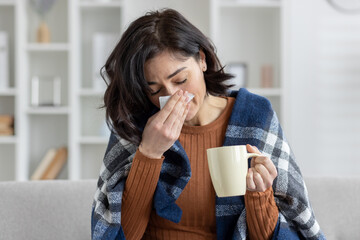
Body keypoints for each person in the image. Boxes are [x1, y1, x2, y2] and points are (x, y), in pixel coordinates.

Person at [91, 8, 325, 240]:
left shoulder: (255, 115)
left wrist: (259, 194)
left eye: (181, 80)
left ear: (202, 60)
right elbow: (121, 236)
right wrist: (150, 153)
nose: (173, 95)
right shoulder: (137, 123)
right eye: (155, 90)